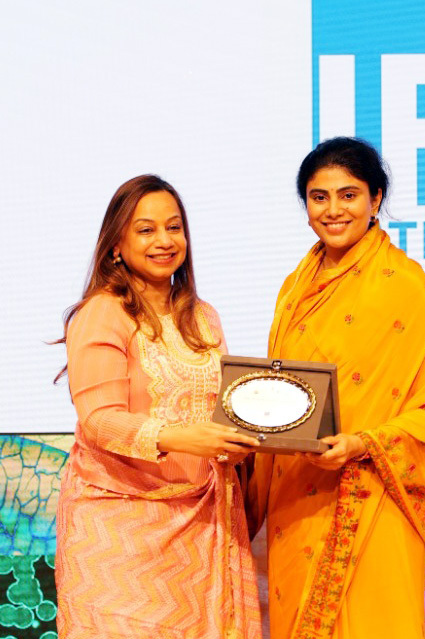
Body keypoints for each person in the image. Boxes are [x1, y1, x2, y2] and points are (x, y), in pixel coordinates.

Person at [247, 138, 425, 639]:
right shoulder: (296, 285)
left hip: (373, 497)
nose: (333, 209)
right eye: (319, 197)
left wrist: (362, 444)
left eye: (349, 195)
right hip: (297, 498)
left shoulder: (408, 288)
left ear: (376, 199)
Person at [54, 174, 262, 639]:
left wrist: (240, 440)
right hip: (118, 531)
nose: (165, 241)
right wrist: (186, 438)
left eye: (174, 227)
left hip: (202, 525)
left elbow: (222, 406)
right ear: (116, 245)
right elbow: (99, 422)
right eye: (146, 230)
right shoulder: (101, 313)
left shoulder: (203, 316)